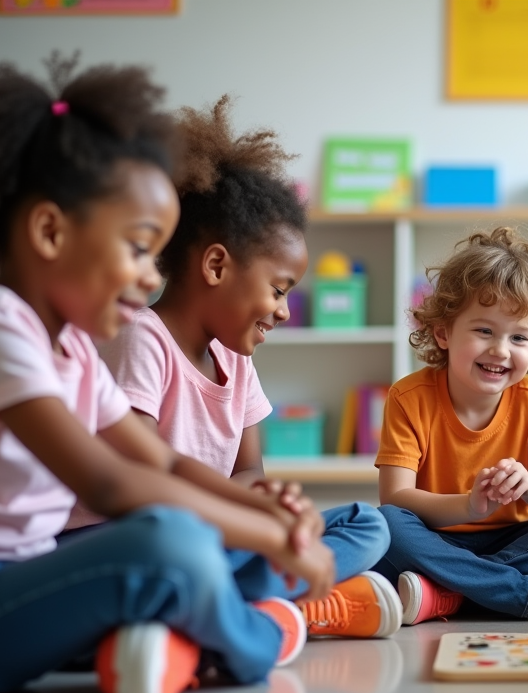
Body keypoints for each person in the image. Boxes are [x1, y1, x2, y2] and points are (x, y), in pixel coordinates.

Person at [0, 55, 333, 693]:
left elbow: (159, 458)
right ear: (50, 231)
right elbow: (109, 482)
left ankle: (174, 635)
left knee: (288, 530)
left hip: (32, 585)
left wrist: (267, 512)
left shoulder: (70, 347)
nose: (145, 276)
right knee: (173, 540)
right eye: (136, 248)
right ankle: (258, 635)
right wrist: (271, 539)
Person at [88, 96, 398, 639]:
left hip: (216, 538)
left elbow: (247, 470)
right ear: (215, 265)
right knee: (184, 551)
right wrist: (253, 523)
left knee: (367, 523)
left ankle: (233, 604)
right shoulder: (142, 340)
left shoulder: (236, 359)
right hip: (145, 537)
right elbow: (140, 475)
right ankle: (274, 603)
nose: (283, 310)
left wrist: (267, 503)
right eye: (278, 290)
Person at [373, 227, 528, 624]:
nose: (500, 350)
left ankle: (452, 592)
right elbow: (395, 498)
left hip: (519, 541)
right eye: (484, 330)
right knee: (384, 524)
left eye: (519, 337)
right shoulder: (409, 397)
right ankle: (522, 593)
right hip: (438, 538)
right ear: (443, 332)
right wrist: (468, 505)